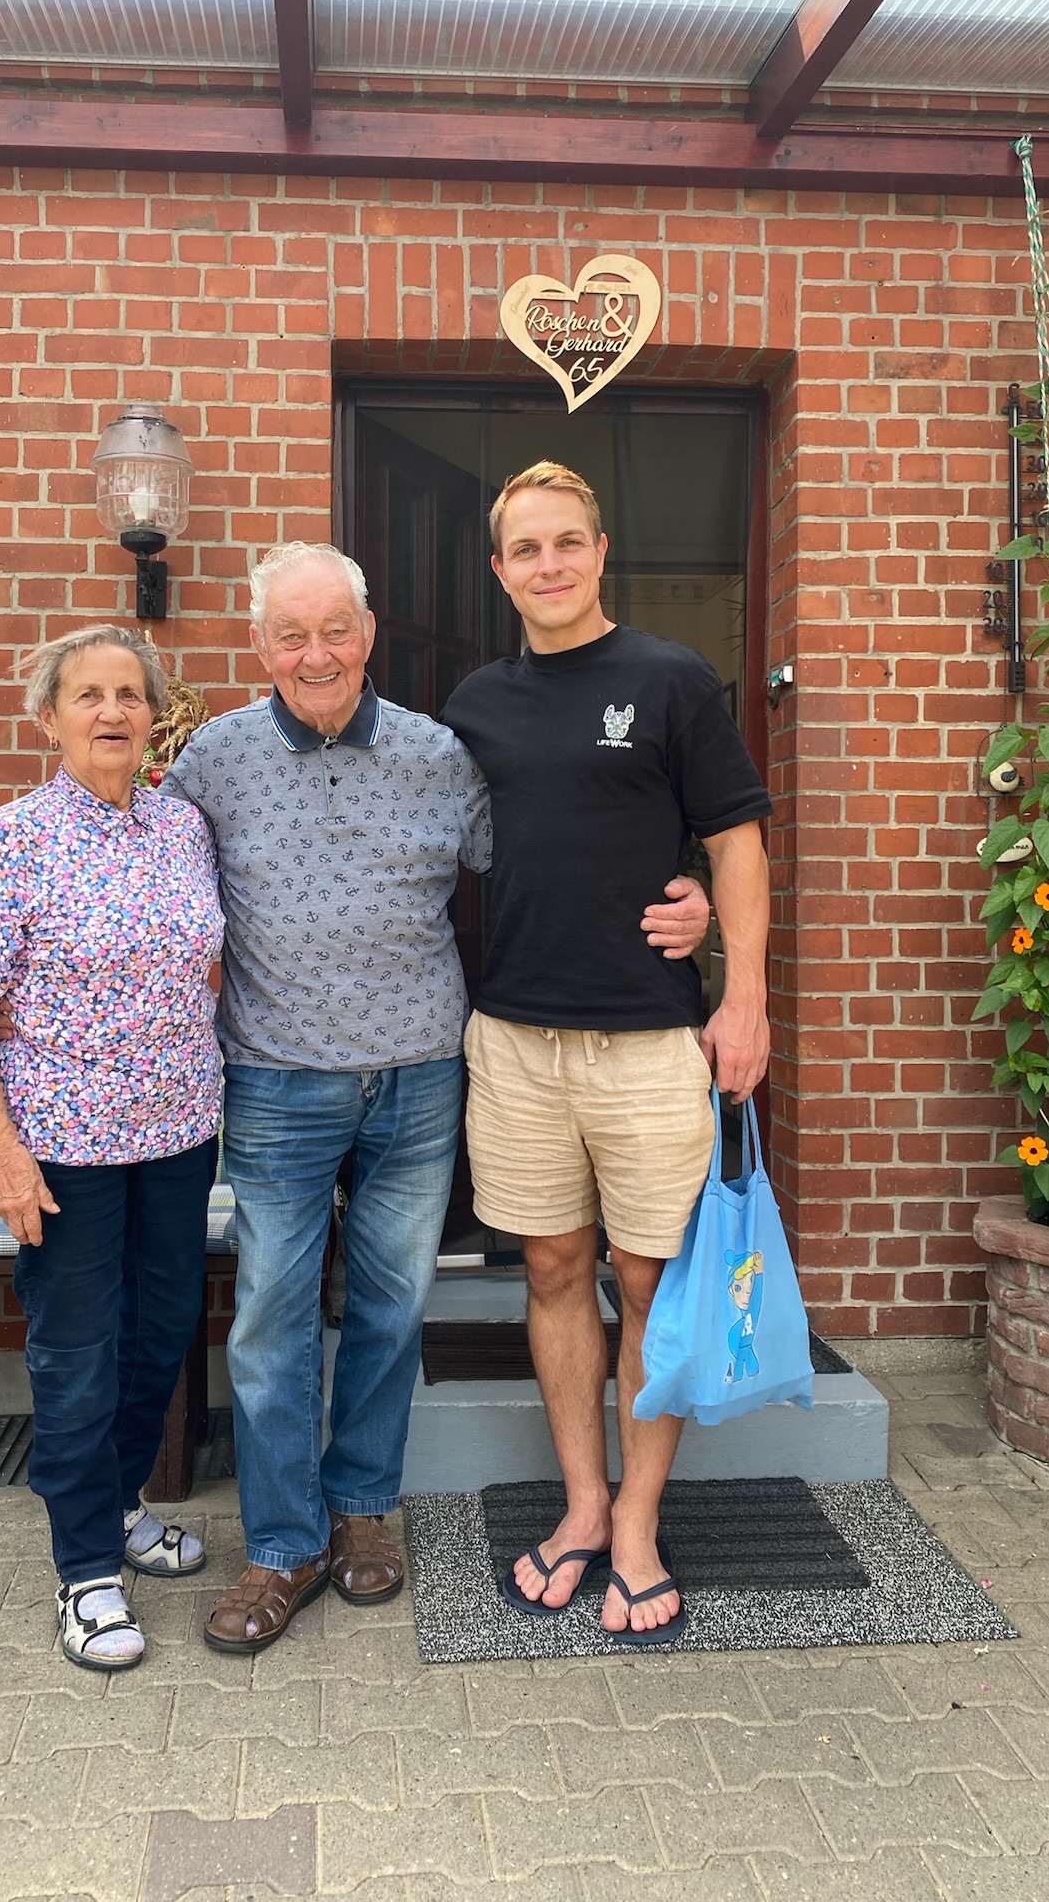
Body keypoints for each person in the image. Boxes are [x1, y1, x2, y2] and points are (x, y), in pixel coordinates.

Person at [165, 541, 714, 1653]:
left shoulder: (439, 750)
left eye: (336, 630)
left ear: (368, 634)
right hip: (274, 1079)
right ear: (260, 645)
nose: (316, 654)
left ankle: (363, 1509)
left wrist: (691, 889)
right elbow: (147, 878)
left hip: (419, 1076)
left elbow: (558, 852)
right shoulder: (214, 759)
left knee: (389, 1307)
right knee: (271, 1319)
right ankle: (283, 1543)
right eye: (291, 635)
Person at [442, 461, 773, 1646]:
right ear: (500, 570)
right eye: (526, 548)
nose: (550, 564)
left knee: (649, 1282)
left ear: (599, 551)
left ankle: (638, 1518)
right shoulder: (474, 702)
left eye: (567, 542)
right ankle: (583, 1502)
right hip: (516, 1038)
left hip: (648, 1037)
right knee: (550, 1268)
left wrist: (742, 991)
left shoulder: (669, 679)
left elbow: (735, 840)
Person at [0, 624, 225, 1673]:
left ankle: (119, 1500)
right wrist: (2, 1152)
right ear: (49, 717)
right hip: (64, 1144)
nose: (112, 712)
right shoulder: (13, 836)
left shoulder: (183, 826)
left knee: (161, 1331)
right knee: (77, 1350)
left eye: (129, 695)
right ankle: (87, 1568)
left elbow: (206, 964)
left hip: (178, 1131)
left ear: (153, 716)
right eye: (89, 695)